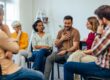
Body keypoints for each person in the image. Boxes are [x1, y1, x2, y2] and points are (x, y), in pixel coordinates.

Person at [64, 5, 110, 80]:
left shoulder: (107, 32)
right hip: (101, 63)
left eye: (98, 19)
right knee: (80, 62)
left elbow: (95, 51)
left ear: (103, 19)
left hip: (104, 68)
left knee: (67, 66)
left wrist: (98, 34)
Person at [0, 4, 44, 80]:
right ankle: (20, 69)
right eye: (15, 27)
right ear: (13, 28)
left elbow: (23, 45)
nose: (17, 28)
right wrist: (12, 46)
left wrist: (12, 47)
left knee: (20, 53)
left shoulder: (25, 34)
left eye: (18, 26)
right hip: (10, 65)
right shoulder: (10, 34)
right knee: (22, 58)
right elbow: (12, 46)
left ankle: (20, 68)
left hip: (24, 51)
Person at [44, 15, 80, 80]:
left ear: (72, 23)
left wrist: (66, 51)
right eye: (65, 23)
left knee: (68, 57)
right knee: (49, 58)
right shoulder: (60, 32)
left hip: (71, 52)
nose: (66, 25)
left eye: (68, 23)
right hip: (60, 52)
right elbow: (56, 45)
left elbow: (75, 47)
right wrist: (62, 39)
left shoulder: (75, 32)